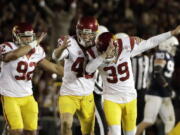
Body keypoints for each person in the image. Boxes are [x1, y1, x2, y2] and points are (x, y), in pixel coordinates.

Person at [85, 25, 180, 135]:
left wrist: (171, 33)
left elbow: (151, 42)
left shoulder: (125, 45)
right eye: (109, 52)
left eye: (114, 49)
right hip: (111, 99)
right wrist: (104, 56)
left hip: (130, 98)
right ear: (100, 51)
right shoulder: (95, 55)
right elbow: (88, 69)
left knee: (130, 133)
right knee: (115, 133)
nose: (113, 53)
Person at [0, 22, 64, 135]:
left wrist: (74, 74)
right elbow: (14, 55)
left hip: (27, 96)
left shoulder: (37, 51)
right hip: (10, 95)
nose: (28, 40)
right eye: (24, 37)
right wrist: (35, 43)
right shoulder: (7, 46)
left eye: (30, 37)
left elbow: (53, 67)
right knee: (16, 130)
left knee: (31, 131)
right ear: (16, 37)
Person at [52, 16, 99, 135]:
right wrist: (61, 48)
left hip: (87, 94)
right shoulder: (69, 42)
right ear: (78, 32)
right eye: (82, 33)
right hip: (69, 94)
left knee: (89, 132)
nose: (85, 37)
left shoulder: (98, 46)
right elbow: (55, 56)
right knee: (66, 124)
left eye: (89, 34)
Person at [135, 36, 179, 135]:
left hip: (163, 94)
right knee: (149, 120)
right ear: (167, 46)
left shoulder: (169, 56)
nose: (175, 49)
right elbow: (158, 73)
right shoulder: (162, 54)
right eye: (173, 46)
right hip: (155, 93)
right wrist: (168, 88)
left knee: (170, 121)